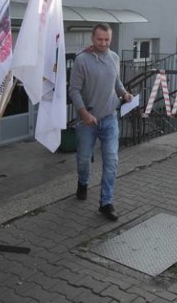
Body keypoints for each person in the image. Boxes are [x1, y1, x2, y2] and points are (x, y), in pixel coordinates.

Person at [68, 23, 133, 221]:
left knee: (112, 160)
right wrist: (83, 113)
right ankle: (82, 182)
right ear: (92, 38)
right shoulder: (82, 60)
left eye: (107, 40)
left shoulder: (114, 57)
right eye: (100, 39)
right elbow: (74, 90)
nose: (104, 43)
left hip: (110, 118)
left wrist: (125, 94)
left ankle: (106, 202)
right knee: (84, 159)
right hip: (87, 120)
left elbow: (117, 83)